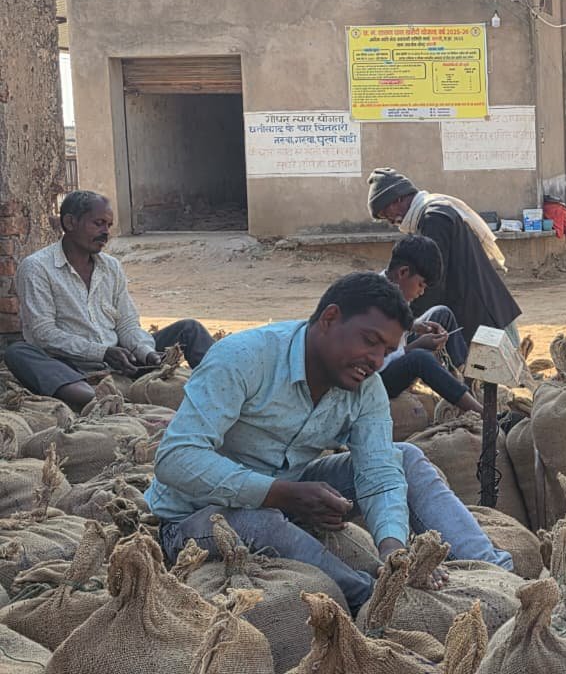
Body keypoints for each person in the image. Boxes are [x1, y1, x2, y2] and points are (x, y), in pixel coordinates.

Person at [145, 272, 514, 611]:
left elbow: (380, 473)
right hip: (193, 517)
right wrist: (280, 494)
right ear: (330, 318)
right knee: (259, 521)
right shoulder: (244, 358)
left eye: (386, 351)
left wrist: (392, 549)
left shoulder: (365, 387)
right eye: (370, 341)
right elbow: (176, 459)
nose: (375, 361)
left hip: (290, 493)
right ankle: (372, 600)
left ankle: (498, 577)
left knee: (405, 458)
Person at [6, 190, 214, 411]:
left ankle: (222, 385)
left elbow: (126, 323)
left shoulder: (111, 267)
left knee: (189, 329)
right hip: (71, 366)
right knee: (18, 353)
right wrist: (101, 352)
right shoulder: (37, 267)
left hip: (121, 358)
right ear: (70, 222)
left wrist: (147, 353)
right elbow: (44, 333)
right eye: (98, 224)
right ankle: (104, 401)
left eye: (109, 225)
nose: (106, 233)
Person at [368, 168, 521, 348]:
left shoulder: (434, 219)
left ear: (398, 199)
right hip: (484, 311)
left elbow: (430, 280)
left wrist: (409, 321)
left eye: (387, 214)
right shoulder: (435, 212)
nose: (391, 221)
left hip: (482, 317)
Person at [379, 235, 482, 414]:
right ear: (403, 273)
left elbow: (399, 327)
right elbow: (377, 362)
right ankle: (480, 413)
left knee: (441, 313)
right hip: (378, 378)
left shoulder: (394, 287)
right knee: (420, 359)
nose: (421, 292)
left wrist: (416, 326)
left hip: (396, 351)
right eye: (420, 285)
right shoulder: (379, 304)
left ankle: (467, 383)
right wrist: (417, 345)